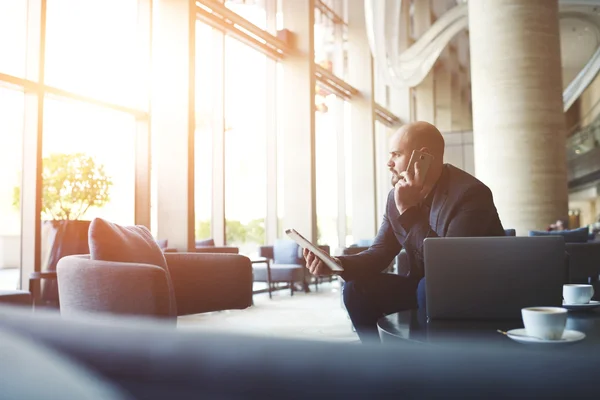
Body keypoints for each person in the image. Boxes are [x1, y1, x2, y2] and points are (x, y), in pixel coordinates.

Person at [303, 121, 505, 343]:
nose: (388, 163)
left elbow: (449, 267)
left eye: (396, 154)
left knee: (425, 288)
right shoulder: (396, 196)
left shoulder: (471, 194)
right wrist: (334, 264)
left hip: (470, 291)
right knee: (356, 290)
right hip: (425, 288)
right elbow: (379, 254)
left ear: (422, 157)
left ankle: (434, 368)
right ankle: (380, 365)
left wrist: (408, 211)